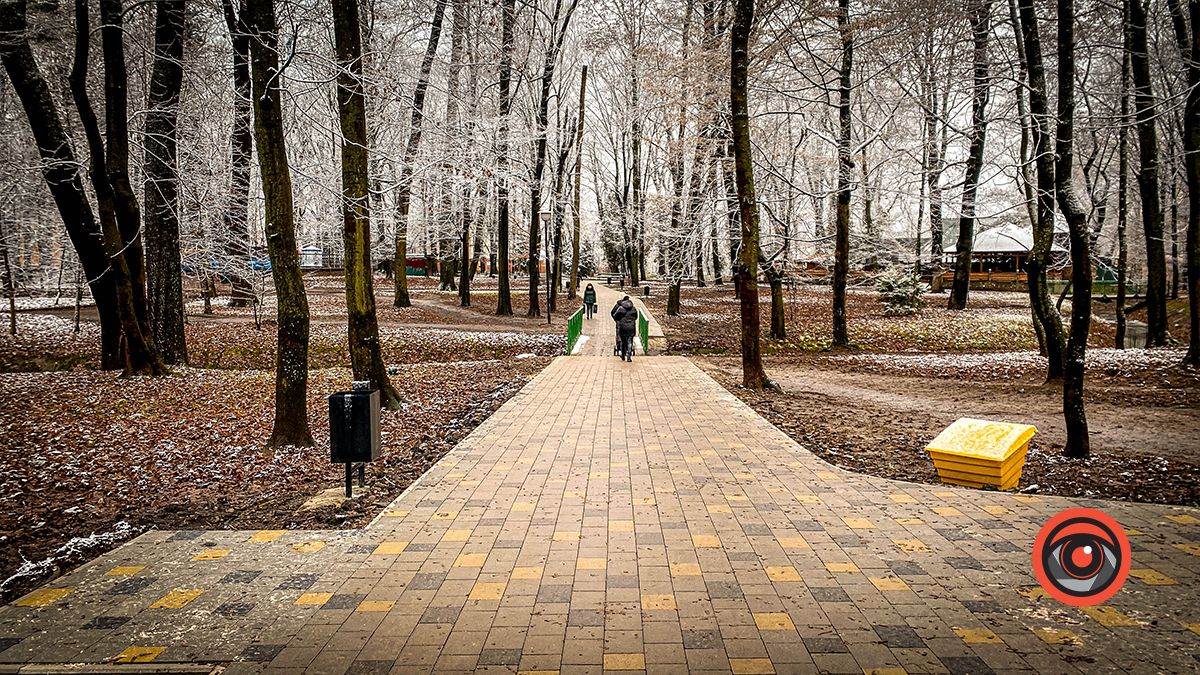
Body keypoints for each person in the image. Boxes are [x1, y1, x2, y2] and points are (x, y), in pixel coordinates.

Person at [611, 295, 638, 362]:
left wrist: (618, 320)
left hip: (623, 327)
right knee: (630, 341)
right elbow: (636, 317)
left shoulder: (620, 308)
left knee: (623, 341)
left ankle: (623, 355)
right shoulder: (633, 308)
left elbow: (615, 315)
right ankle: (629, 355)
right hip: (631, 327)